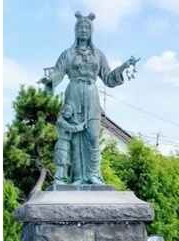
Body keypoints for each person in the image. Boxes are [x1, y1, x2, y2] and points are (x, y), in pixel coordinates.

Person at [39, 11, 139, 185]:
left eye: (87, 27)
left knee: (92, 135)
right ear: (76, 30)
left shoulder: (98, 54)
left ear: (91, 31)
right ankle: (78, 177)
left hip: (92, 94)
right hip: (74, 94)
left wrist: (123, 67)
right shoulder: (68, 54)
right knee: (76, 137)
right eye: (81, 27)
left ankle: (93, 175)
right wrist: (50, 79)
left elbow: (108, 77)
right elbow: (59, 71)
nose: (84, 30)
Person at [54, 104, 85, 184]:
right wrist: (84, 124)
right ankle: (57, 179)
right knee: (61, 161)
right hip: (62, 143)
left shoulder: (64, 122)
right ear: (62, 111)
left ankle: (62, 179)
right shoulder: (61, 122)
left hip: (66, 144)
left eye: (71, 113)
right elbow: (73, 129)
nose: (69, 114)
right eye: (68, 112)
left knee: (66, 162)